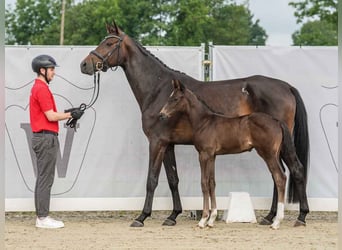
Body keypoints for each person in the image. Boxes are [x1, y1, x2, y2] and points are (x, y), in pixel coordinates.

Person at [29, 55, 84, 229]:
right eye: (52, 69)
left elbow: (49, 114)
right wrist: (71, 115)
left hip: (44, 137)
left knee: (43, 177)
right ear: (42, 70)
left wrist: (68, 112)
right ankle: (43, 218)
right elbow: (51, 116)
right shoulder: (42, 89)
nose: (54, 73)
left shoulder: (38, 88)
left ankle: (42, 216)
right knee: (46, 178)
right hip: (46, 138)